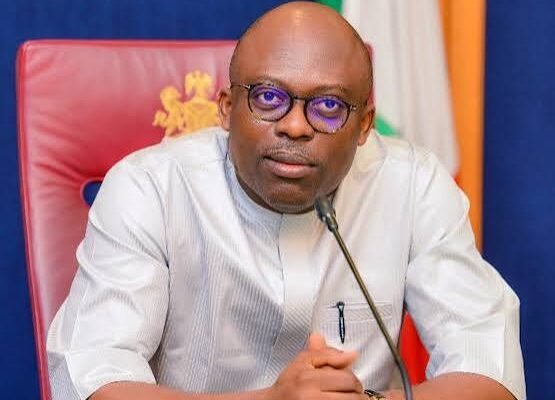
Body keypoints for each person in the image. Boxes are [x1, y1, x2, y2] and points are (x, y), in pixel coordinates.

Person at [46, 2, 525, 400]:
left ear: (364, 126)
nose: (295, 126)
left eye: (328, 106)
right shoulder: (148, 188)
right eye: (268, 98)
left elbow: (492, 371)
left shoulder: (413, 185)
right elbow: (93, 382)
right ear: (227, 110)